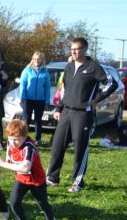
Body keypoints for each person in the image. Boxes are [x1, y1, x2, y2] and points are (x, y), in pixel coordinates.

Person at [45, 38, 118, 193]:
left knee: (80, 147)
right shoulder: (69, 67)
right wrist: (58, 109)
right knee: (57, 145)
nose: (73, 52)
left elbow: (112, 84)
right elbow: (63, 90)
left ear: (84, 49)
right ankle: (52, 177)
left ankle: (77, 182)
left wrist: (97, 99)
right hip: (66, 111)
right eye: (71, 49)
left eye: (76, 49)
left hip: (83, 113)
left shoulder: (93, 67)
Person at [0, 119, 55, 220]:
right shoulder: (12, 140)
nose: (13, 142)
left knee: (42, 203)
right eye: (11, 138)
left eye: (17, 139)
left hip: (36, 180)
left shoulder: (29, 148)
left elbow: (25, 168)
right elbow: (9, 144)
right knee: (14, 202)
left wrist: (3, 163)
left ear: (25, 136)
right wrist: (8, 155)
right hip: (22, 178)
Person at [19, 51, 51, 145]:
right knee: (26, 120)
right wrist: (23, 98)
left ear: (42, 60)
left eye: (39, 59)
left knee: (38, 120)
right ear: (32, 59)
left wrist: (47, 100)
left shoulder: (45, 72)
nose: (37, 61)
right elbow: (23, 85)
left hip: (40, 100)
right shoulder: (27, 70)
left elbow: (47, 87)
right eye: (35, 59)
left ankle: (38, 139)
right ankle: (23, 138)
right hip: (28, 100)